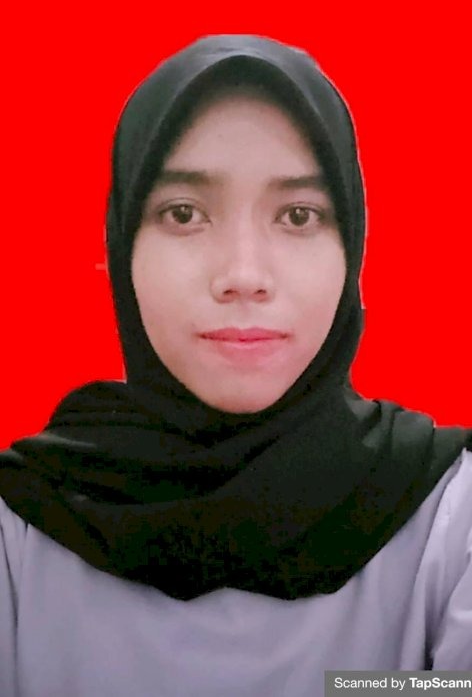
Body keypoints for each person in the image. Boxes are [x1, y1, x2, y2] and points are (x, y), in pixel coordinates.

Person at [0, 34, 471, 697]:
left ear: (353, 246)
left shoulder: (450, 520)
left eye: (299, 215)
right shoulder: (22, 528)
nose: (244, 274)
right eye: (184, 213)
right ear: (122, 244)